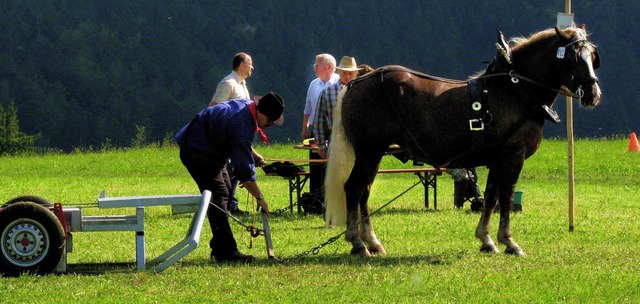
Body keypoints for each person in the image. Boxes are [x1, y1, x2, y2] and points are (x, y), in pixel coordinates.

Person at [175, 92, 285, 263]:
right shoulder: (242, 124)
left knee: (225, 189)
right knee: (218, 197)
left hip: (212, 150)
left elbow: (240, 144)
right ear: (261, 113)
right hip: (198, 150)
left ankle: (219, 245)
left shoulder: (248, 108)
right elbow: (244, 173)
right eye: (269, 122)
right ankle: (226, 252)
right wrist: (260, 198)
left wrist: (253, 156)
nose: (267, 126)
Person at [208, 52, 256, 215]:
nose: (252, 67)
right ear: (242, 65)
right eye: (250, 64)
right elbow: (213, 108)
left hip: (237, 136)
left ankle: (230, 204)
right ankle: (227, 205)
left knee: (234, 171)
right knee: (230, 171)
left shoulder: (241, 84)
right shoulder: (228, 83)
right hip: (227, 137)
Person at [311, 56, 362, 159]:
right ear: (339, 72)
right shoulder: (327, 93)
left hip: (358, 142)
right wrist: (321, 147)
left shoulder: (361, 92)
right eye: (344, 73)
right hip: (335, 141)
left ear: (355, 74)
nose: (347, 76)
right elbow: (319, 121)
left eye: (350, 73)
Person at [302, 54, 340, 193]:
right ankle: (315, 196)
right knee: (315, 165)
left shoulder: (338, 83)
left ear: (329, 67)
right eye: (314, 65)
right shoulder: (313, 84)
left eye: (317, 65)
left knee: (332, 165)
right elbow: (308, 108)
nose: (315, 68)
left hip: (333, 131)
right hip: (315, 130)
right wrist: (304, 126)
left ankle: (331, 194)